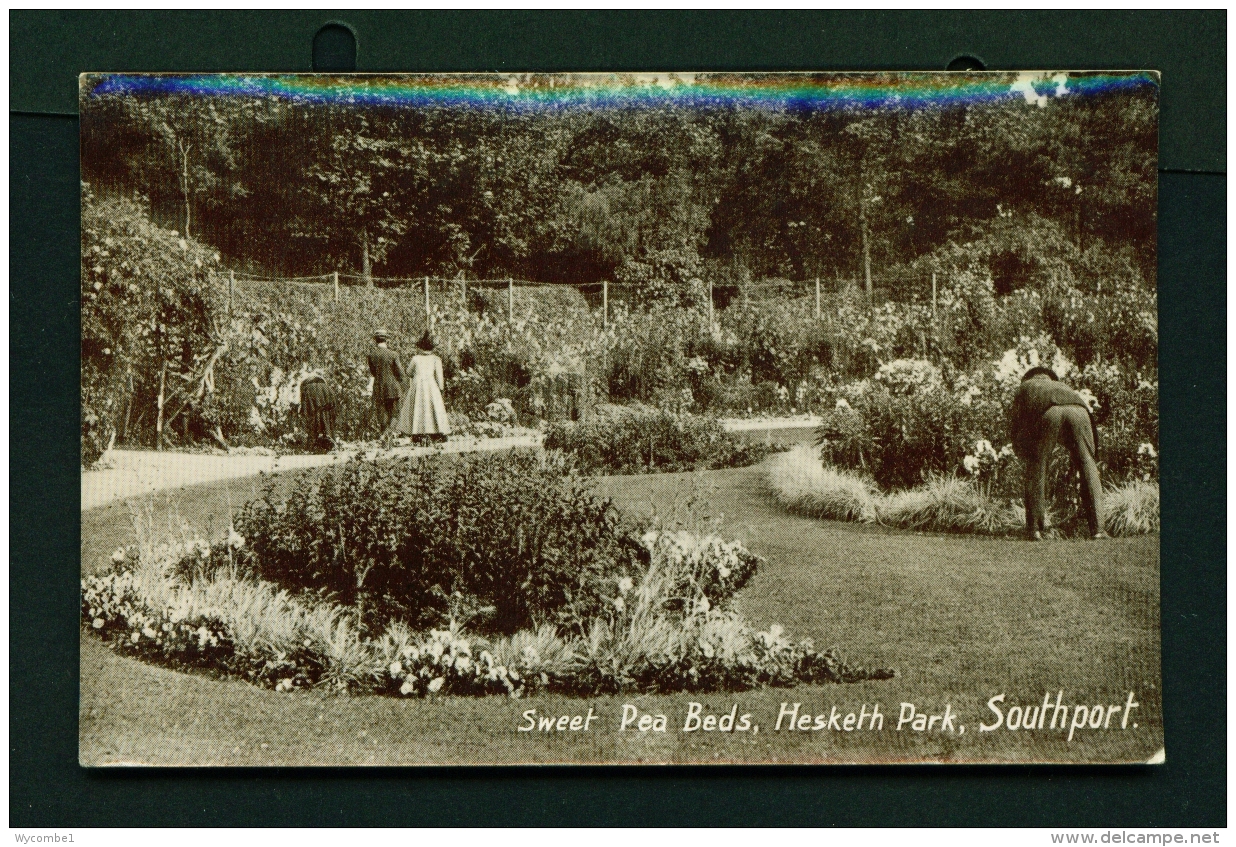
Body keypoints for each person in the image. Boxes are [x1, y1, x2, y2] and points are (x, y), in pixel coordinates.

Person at [1008, 366, 1106, 540]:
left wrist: (1025, 451)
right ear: (1049, 377)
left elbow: (1015, 425)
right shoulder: (1062, 386)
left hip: (1049, 412)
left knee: (1037, 464)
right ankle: (1098, 529)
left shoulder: (1025, 387)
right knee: (1087, 463)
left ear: (1028, 377)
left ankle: (1034, 529)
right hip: (1080, 412)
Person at [397, 331, 451, 443]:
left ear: (421, 347)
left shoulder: (416, 359)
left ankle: (417, 431)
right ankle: (435, 431)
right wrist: (440, 389)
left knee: (418, 407)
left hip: (418, 385)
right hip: (431, 385)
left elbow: (408, 372)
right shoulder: (436, 359)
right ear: (432, 348)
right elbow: (439, 378)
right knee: (433, 408)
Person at [366, 328, 403, 438]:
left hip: (379, 387)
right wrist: (399, 380)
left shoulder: (371, 355)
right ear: (387, 340)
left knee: (382, 413)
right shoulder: (393, 354)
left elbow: (373, 372)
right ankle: (390, 433)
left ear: (375, 340)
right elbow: (400, 373)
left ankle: (384, 434)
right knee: (394, 412)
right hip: (393, 387)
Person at [295, 368, 337, 453]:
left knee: (314, 418)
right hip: (326, 389)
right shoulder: (320, 377)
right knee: (327, 418)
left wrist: (303, 411)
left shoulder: (301, 378)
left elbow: (302, 403)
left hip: (310, 389)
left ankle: (312, 445)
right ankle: (329, 443)